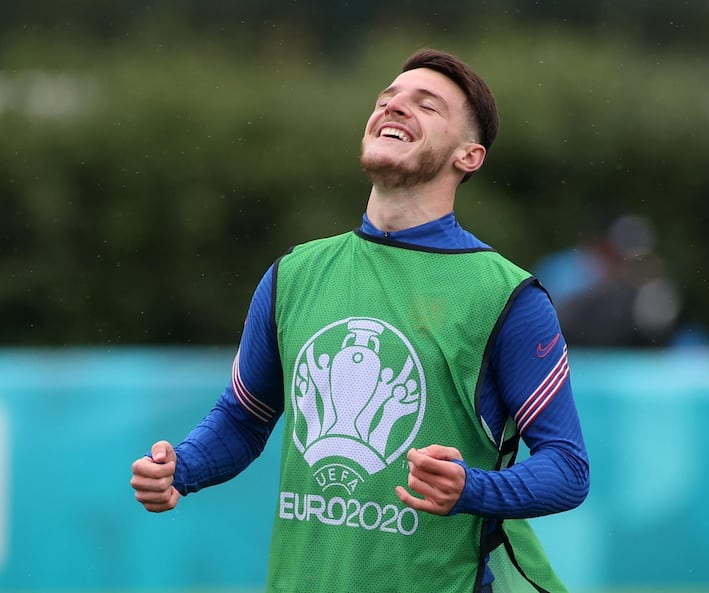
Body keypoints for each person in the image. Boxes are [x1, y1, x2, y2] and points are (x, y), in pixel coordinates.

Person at [131, 49, 589, 593]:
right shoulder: (293, 274)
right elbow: (244, 417)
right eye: (386, 99)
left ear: (469, 155)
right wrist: (180, 469)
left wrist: (472, 489)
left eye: (427, 105)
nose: (394, 108)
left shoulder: (508, 296)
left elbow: (568, 468)